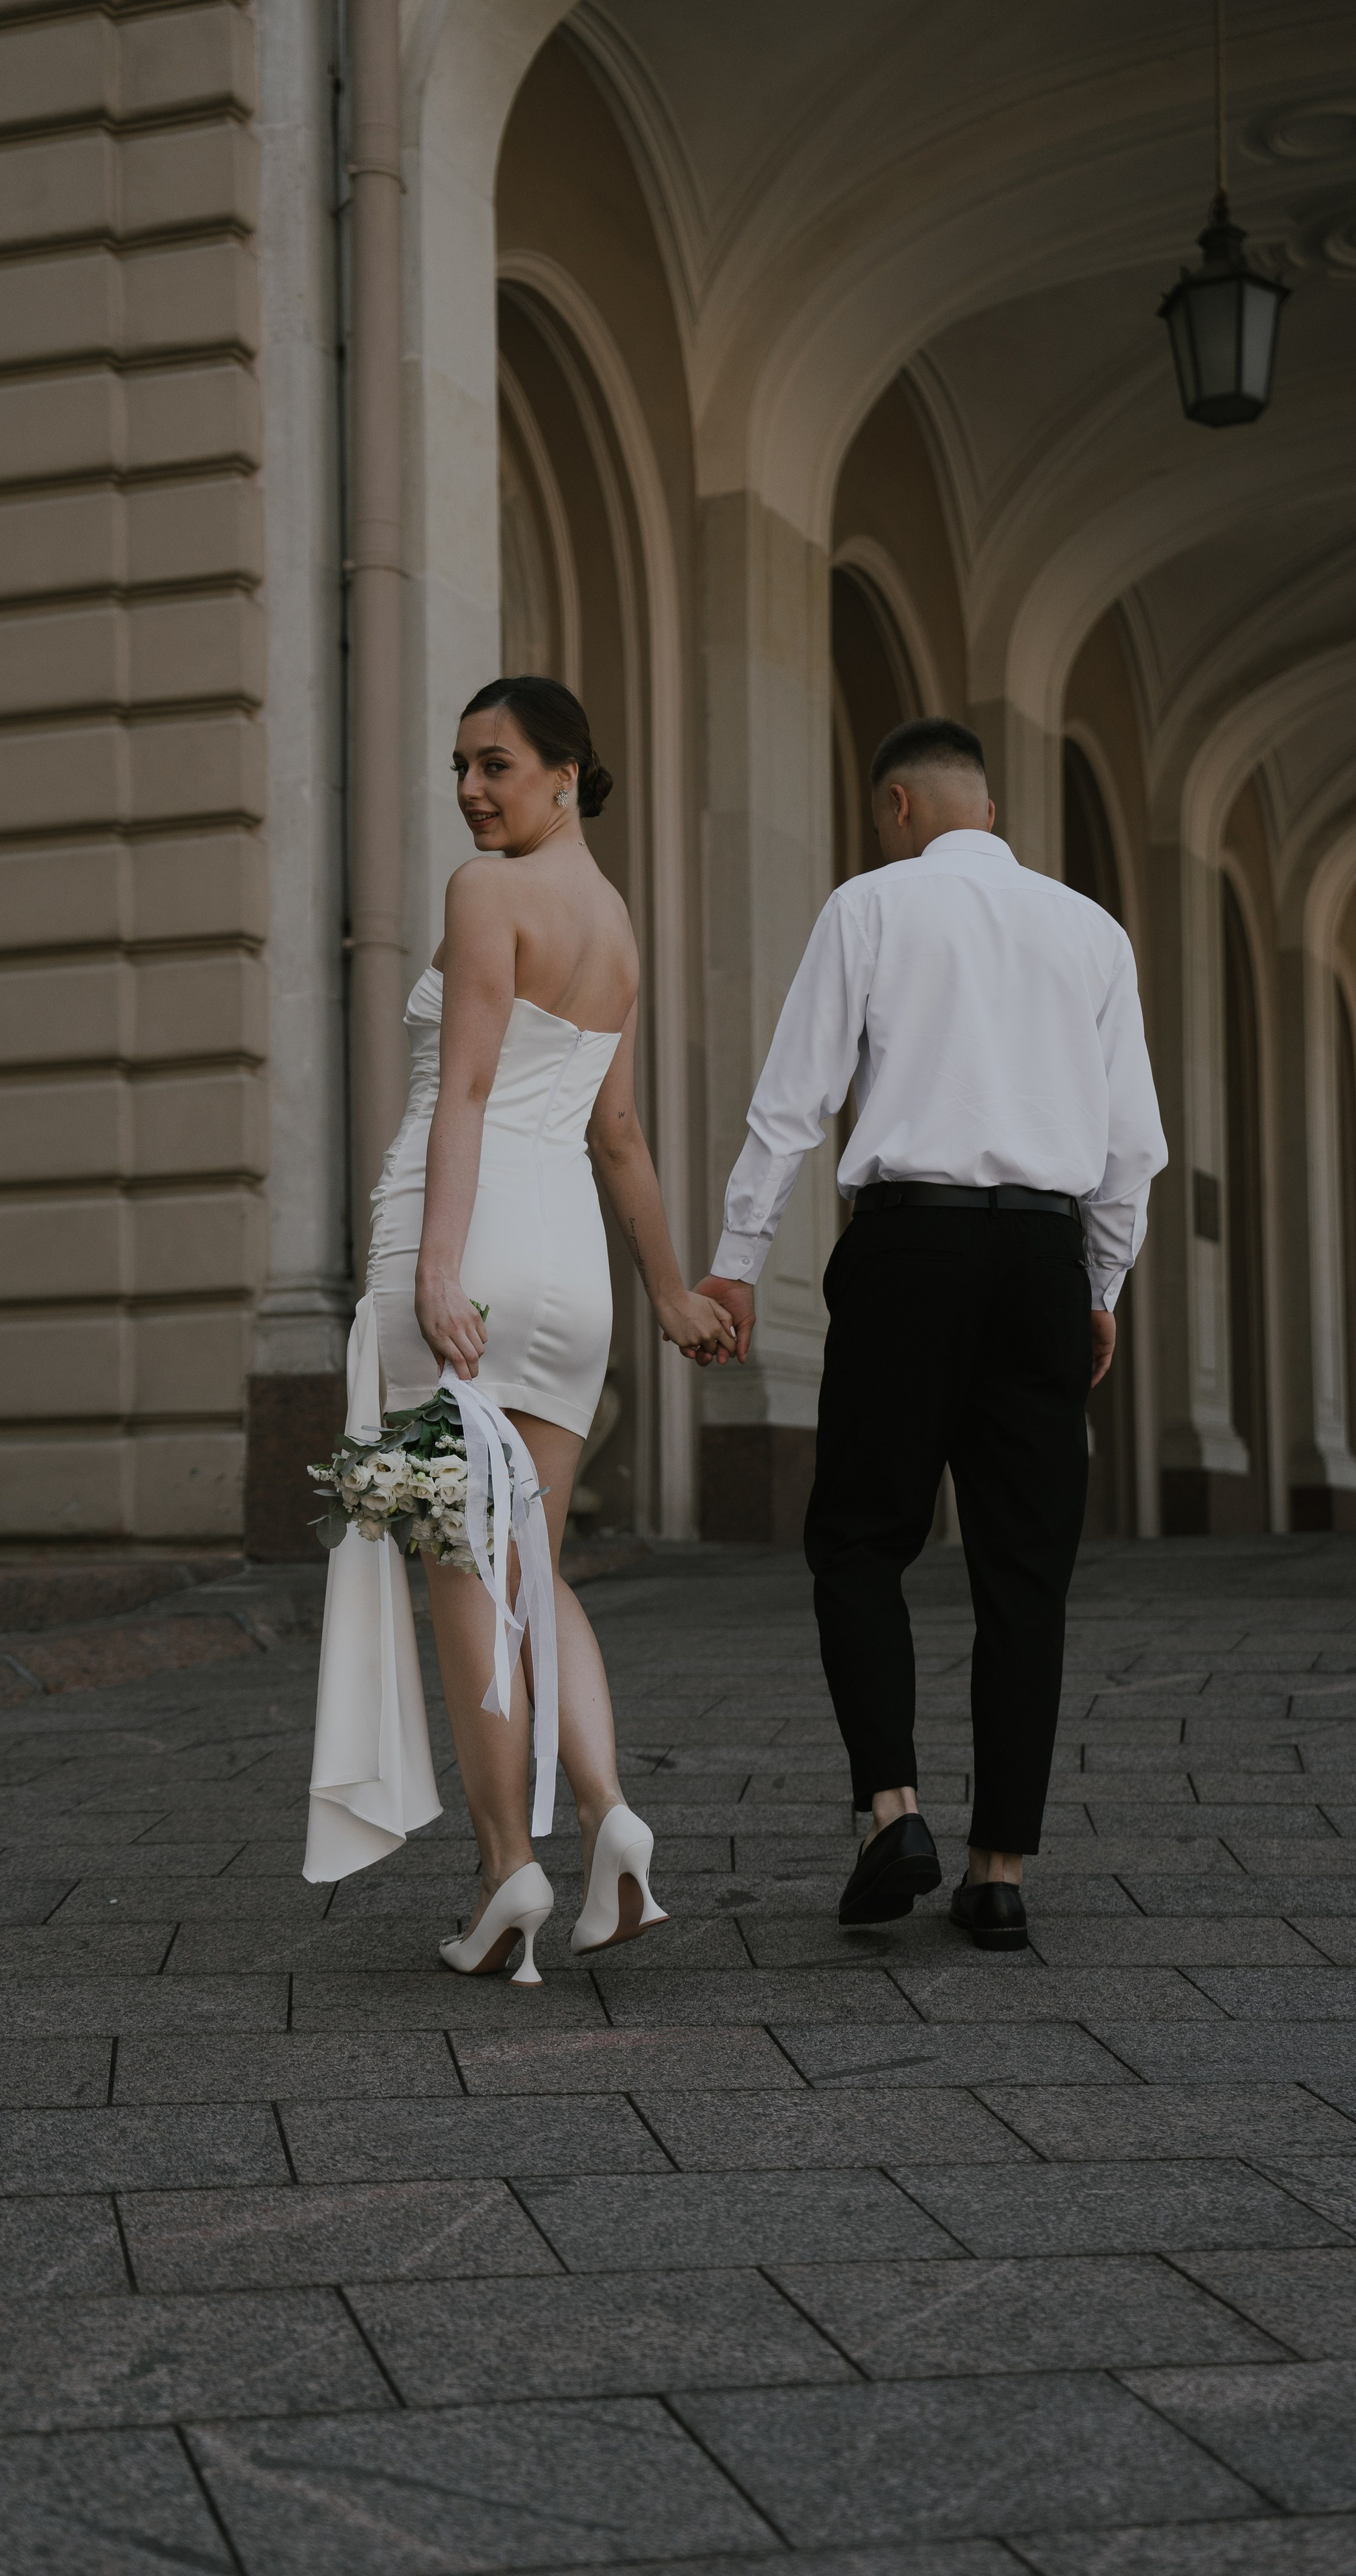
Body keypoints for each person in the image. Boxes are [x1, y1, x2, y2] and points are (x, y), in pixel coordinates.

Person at [693, 718, 1166, 1949]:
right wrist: (1099, 1284)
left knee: (858, 1536)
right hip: (1041, 1257)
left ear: (898, 806)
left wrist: (737, 1263)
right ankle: (999, 1869)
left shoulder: (871, 906)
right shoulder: (1090, 931)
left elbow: (791, 1101)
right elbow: (1131, 1147)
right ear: (991, 813)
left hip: (909, 1246)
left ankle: (890, 1808)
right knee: (1026, 1569)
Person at [305, 676, 734, 1980]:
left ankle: (506, 1874)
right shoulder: (613, 923)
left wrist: (436, 1275)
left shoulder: (485, 894)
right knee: (528, 1572)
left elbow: (471, 1089)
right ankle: (608, 1816)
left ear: (564, 770)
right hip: (572, 1279)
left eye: (493, 764)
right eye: (457, 768)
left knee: (460, 1577)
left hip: (473, 1250)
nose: (469, 791)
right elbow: (617, 1135)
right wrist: (666, 1291)